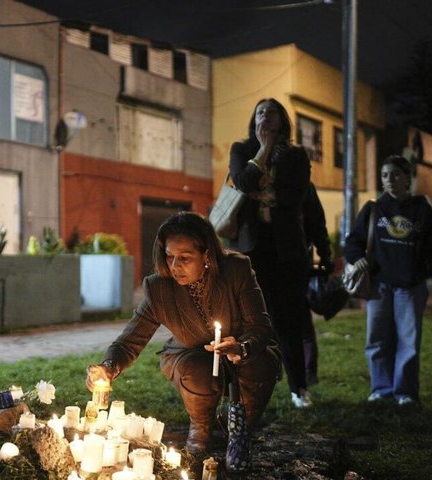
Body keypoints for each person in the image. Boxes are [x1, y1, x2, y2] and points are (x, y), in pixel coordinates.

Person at [85, 212, 280, 474]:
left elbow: (260, 326)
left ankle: (239, 433)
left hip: (239, 349)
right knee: (196, 371)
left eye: (185, 258)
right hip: (190, 354)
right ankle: (200, 433)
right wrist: (108, 367)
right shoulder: (160, 289)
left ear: (207, 255)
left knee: (263, 362)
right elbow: (129, 342)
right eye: (169, 256)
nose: (175, 265)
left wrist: (241, 347)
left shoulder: (236, 270)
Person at [228, 98, 312, 408]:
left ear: (282, 120)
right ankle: (248, 388)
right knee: (250, 321)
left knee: (288, 320)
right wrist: (262, 150)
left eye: (272, 111)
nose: (266, 115)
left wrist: (261, 190)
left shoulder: (296, 154)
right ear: (254, 118)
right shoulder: (242, 149)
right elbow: (241, 183)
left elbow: (294, 196)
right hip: (252, 248)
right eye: (260, 111)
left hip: (288, 250)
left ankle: (299, 389)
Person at [344, 155, 432, 405]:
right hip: (379, 286)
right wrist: (358, 259)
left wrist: (423, 272)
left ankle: (405, 392)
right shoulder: (374, 208)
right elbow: (353, 242)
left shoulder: (421, 209)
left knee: (408, 341)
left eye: (396, 174)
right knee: (377, 339)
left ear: (407, 178)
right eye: (385, 175)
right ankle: (381, 389)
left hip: (410, 286)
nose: (390, 180)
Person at [301, 183, 335, 386]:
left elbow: (316, 223)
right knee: (302, 322)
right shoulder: (303, 183)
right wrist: (325, 256)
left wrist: (325, 255)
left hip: (294, 261)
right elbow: (317, 224)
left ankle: (306, 373)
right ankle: (307, 372)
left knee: (299, 321)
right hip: (296, 259)